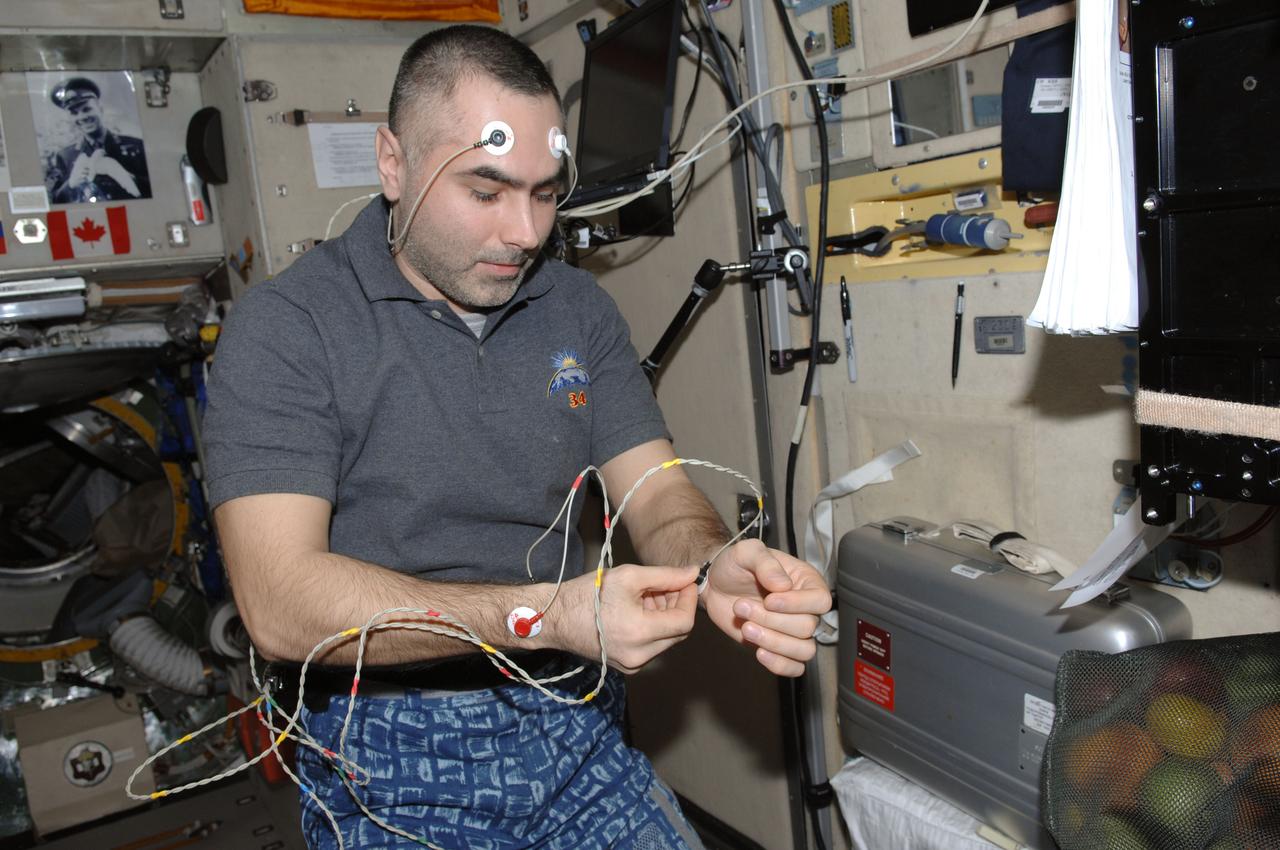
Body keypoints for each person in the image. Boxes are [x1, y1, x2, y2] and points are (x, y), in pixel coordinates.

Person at [203, 24, 830, 850]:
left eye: (544, 193)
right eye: (486, 192)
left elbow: (657, 493)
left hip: (575, 724)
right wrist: (549, 616)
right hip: (390, 753)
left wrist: (713, 564)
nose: (528, 233)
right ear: (392, 163)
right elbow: (280, 604)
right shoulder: (289, 328)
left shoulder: (576, 307)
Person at [45, 77, 151, 203]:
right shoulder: (65, 156)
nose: (82, 117)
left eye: (87, 109)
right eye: (74, 113)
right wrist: (70, 185)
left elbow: (160, 190)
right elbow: (55, 201)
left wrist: (130, 178)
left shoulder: (136, 146)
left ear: (100, 109)